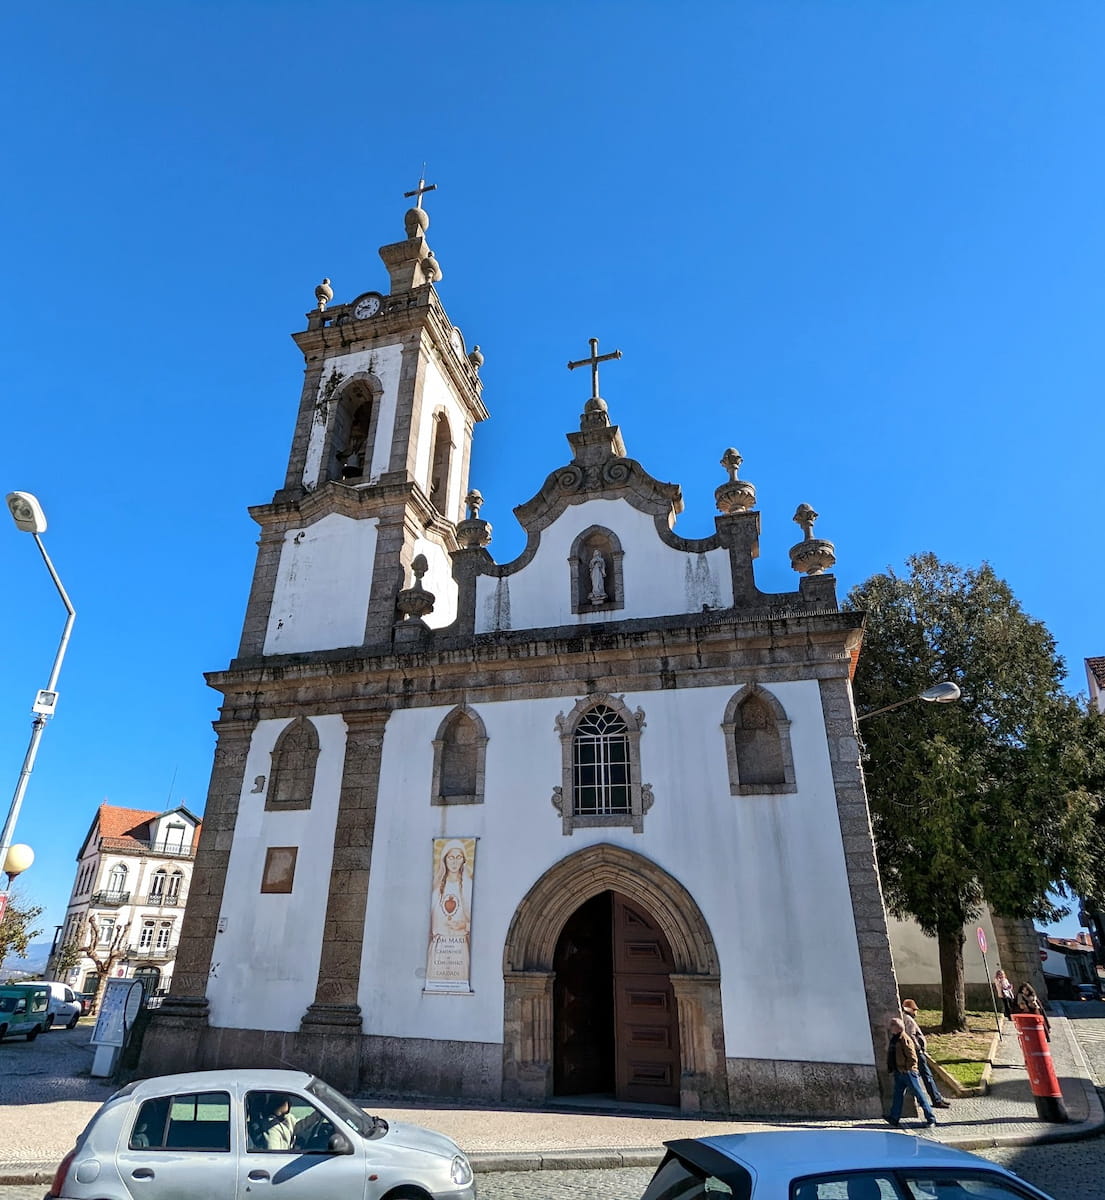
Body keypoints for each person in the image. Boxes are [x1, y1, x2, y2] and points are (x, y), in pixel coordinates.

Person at [886, 1016, 937, 1128]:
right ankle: (894, 1118)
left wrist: (908, 1069)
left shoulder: (905, 1039)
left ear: (897, 1028)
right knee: (897, 1096)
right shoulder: (895, 1038)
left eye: (892, 1026)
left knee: (920, 1096)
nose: (890, 1028)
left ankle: (931, 1118)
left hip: (907, 1072)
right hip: (899, 1072)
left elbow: (912, 1057)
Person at [901, 999, 951, 1109]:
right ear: (911, 1010)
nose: (916, 1012)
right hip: (916, 1052)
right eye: (915, 1010)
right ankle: (936, 1099)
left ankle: (935, 1098)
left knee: (919, 1076)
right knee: (927, 1076)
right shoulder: (909, 1020)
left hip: (913, 1052)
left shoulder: (904, 1018)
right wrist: (918, 1048)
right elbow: (911, 1035)